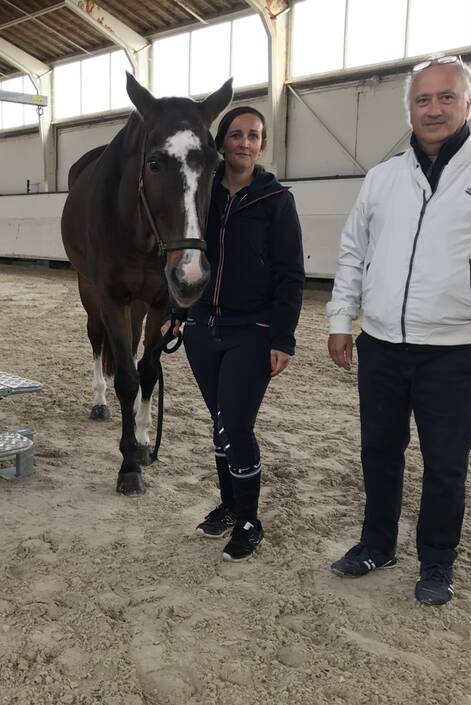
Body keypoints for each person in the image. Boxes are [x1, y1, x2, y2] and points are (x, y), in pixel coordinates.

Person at [326, 56, 471, 605]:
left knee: (445, 464)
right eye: (423, 99)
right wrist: (341, 318)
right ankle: (377, 543)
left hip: (453, 352)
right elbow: (354, 252)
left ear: (467, 103)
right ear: (410, 107)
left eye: (445, 97)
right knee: (378, 451)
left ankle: (436, 562)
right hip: (380, 345)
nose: (433, 109)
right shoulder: (381, 178)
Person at [163, 106, 305, 561]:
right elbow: (183, 251)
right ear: (221, 142)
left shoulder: (276, 200)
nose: (245, 142)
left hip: (253, 330)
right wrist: (177, 310)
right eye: (237, 135)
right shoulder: (201, 193)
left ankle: (249, 520)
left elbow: (291, 274)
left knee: (236, 426)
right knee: (220, 423)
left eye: (254, 136)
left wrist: (283, 337)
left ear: (262, 145)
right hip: (204, 327)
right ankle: (228, 505)